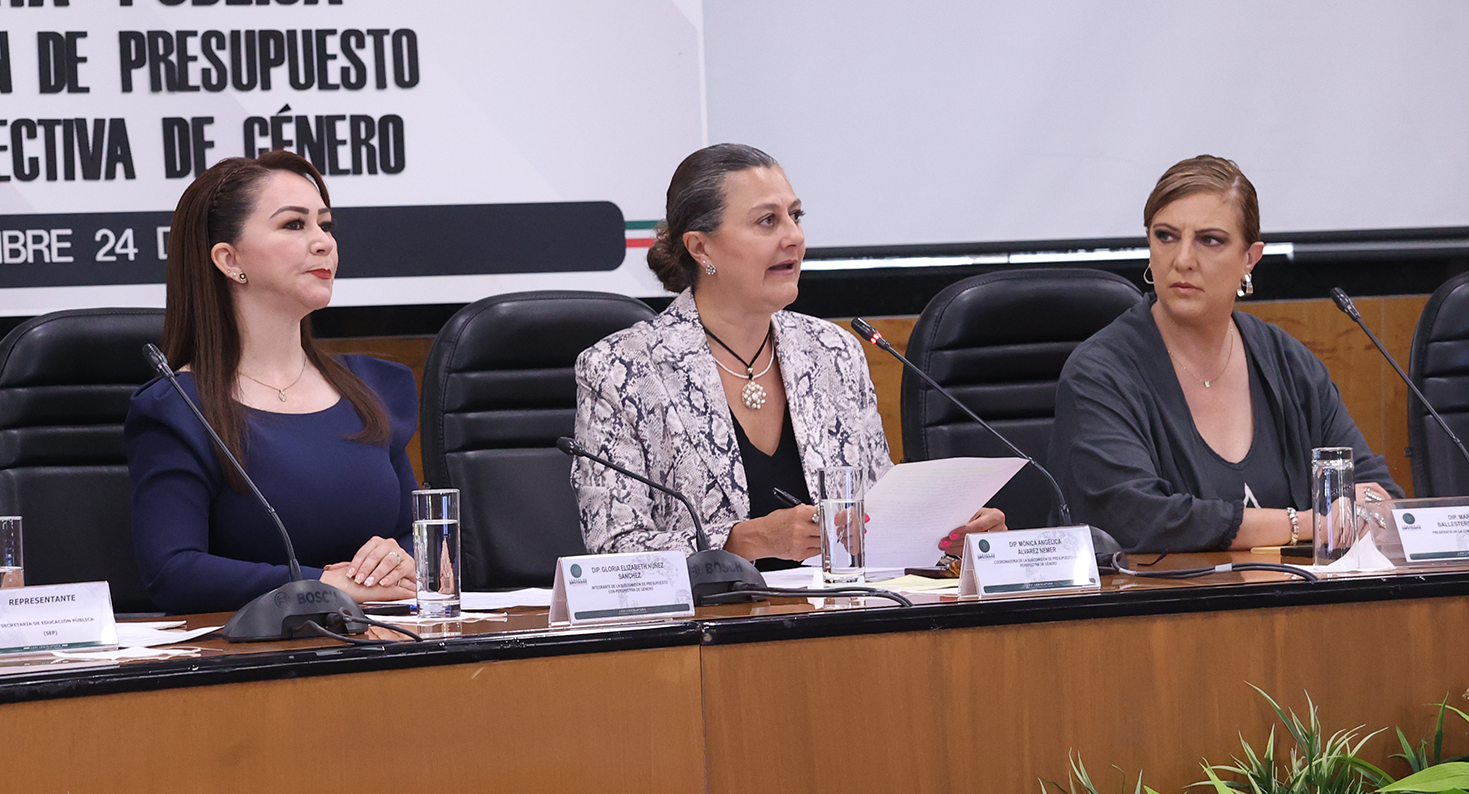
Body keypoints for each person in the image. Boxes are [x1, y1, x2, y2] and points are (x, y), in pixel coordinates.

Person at [573, 144, 1004, 565]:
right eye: (767, 221)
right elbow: (613, 552)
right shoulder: (622, 370)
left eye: (795, 216)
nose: (794, 237)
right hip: (708, 615)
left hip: (838, 608)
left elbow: (877, 517)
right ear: (701, 248)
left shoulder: (833, 352)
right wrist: (744, 542)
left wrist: (948, 534)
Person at [125, 151, 420, 614]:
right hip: (255, 653)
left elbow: (418, 538)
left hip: (386, 640)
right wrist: (321, 585)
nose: (323, 243)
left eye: (325, 225)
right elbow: (173, 571)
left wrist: (399, 559)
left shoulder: (375, 387)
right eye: (294, 225)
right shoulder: (179, 407)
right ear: (229, 259)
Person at [1051, 155, 1395, 552]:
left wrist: (1371, 506)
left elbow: (1372, 489)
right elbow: (1137, 518)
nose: (1182, 260)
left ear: (1250, 258)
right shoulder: (1099, 373)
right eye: (1166, 236)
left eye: (1209, 240)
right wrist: (1303, 523)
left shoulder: (1288, 363)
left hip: (1290, 590)